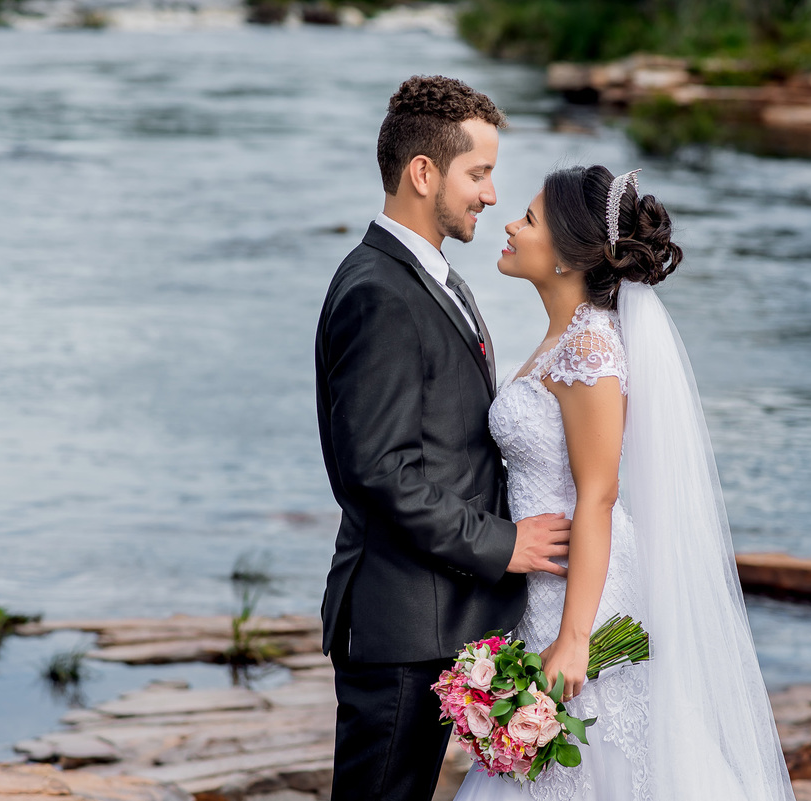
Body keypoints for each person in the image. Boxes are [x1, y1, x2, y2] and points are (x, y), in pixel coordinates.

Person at [454, 165, 797, 800]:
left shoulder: (590, 349)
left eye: (528, 221)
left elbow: (599, 494)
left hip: (580, 591)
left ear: (567, 256)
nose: (509, 224)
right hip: (545, 581)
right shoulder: (562, 339)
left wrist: (575, 638)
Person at [314, 75, 574, 801]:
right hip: (399, 624)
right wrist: (505, 544)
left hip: (432, 617)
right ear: (422, 173)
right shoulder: (379, 291)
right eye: (479, 172)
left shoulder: (430, 277)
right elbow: (378, 468)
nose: (492, 195)